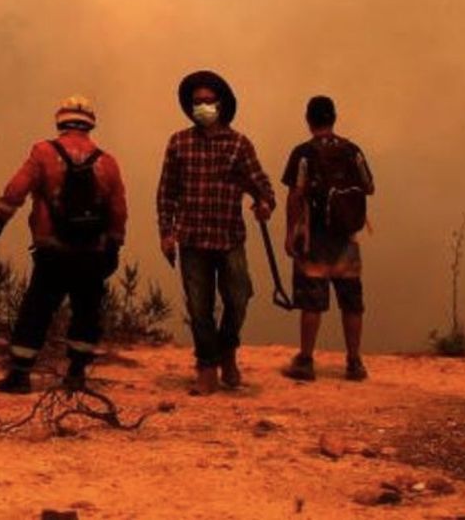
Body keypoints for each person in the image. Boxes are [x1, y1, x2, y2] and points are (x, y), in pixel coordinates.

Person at [0, 95, 127, 393]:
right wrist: (114, 246)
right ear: (90, 124)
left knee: (37, 309)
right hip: (93, 252)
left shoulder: (44, 153)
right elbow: (119, 209)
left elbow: (16, 189)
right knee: (87, 311)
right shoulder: (107, 162)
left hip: (52, 250)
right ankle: (76, 374)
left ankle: (20, 375)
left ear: (60, 120)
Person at [156, 70, 274, 395]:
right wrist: (167, 233)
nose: (203, 107)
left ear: (221, 104)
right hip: (192, 238)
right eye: (197, 102)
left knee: (238, 298)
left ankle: (228, 350)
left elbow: (262, 186)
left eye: (208, 101)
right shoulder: (179, 143)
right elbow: (167, 192)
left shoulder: (239, 144)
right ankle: (207, 366)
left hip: (229, 237)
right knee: (199, 307)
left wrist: (264, 203)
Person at [280, 96, 375, 382]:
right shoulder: (352, 150)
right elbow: (369, 187)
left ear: (308, 120)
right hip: (347, 238)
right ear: (334, 117)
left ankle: (306, 360)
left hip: (315, 237)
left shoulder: (303, 154)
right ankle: (354, 362)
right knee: (352, 302)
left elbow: (295, 196)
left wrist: (290, 233)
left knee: (312, 303)